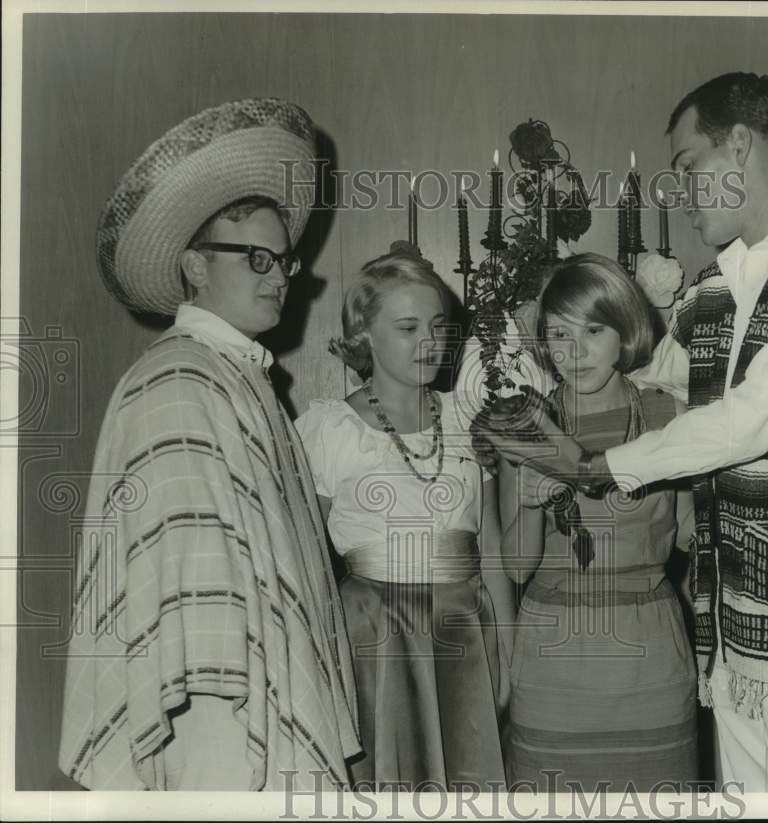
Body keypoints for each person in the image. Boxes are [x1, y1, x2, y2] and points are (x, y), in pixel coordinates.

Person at [481, 73, 768, 792]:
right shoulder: (718, 289)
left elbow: (752, 416)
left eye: (689, 169)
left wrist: (592, 466)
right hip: (737, 634)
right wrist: (536, 337)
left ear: (740, 146)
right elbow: (649, 362)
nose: (679, 194)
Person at [58, 98, 360, 790]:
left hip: (253, 687)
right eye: (257, 257)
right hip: (211, 704)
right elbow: (188, 593)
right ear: (195, 265)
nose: (281, 276)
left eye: (285, 261)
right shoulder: (173, 382)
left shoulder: (242, 376)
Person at [294, 251, 516, 791]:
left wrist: (508, 650)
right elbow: (305, 563)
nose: (429, 342)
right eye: (408, 327)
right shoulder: (330, 429)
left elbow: (490, 551)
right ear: (364, 334)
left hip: (463, 631)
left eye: (439, 327)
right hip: (373, 640)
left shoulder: (466, 420)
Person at [496, 253, 698, 792]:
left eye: (593, 329)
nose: (575, 351)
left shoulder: (667, 415)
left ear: (624, 329)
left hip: (649, 659)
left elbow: (688, 534)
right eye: (558, 334)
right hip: (553, 664)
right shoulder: (526, 423)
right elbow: (516, 569)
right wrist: (529, 504)